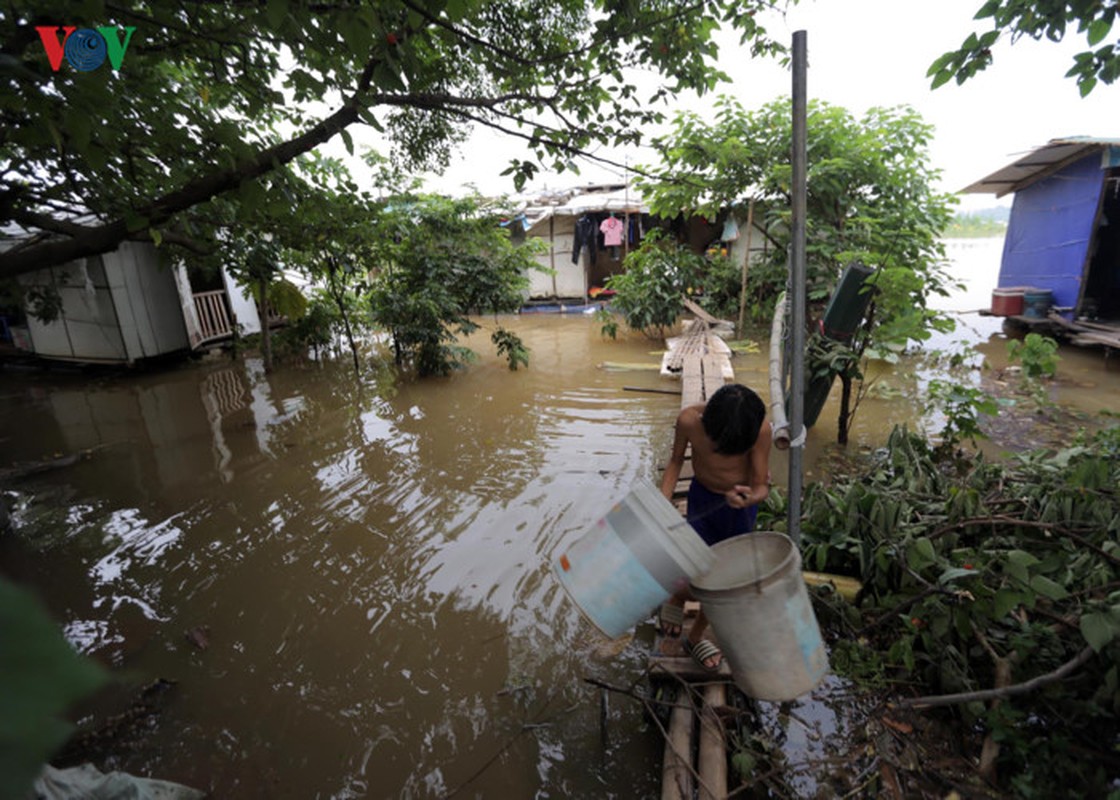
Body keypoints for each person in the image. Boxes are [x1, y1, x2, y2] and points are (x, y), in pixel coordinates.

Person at [658, 383, 772, 670]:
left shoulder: (759, 430)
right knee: (696, 566)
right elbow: (674, 462)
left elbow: (761, 486)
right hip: (702, 500)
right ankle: (677, 596)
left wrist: (749, 498)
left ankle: (695, 636)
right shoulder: (689, 421)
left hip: (738, 509)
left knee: (724, 579)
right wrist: (661, 503)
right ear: (707, 426)